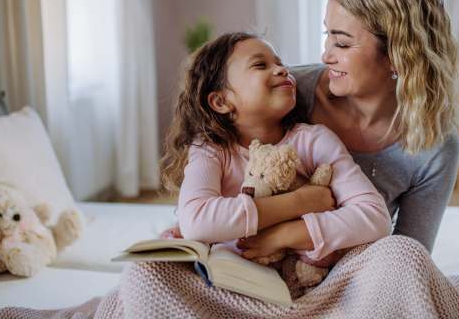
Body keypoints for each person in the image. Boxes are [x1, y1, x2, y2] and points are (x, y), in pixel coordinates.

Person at [159, 32, 391, 266]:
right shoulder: (210, 150)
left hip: (305, 283)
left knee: (404, 251)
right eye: (260, 65)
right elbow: (196, 222)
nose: (282, 70)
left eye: (281, 64)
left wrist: (280, 236)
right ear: (221, 102)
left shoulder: (314, 141)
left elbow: (376, 217)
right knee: (146, 270)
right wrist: (300, 202)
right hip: (231, 282)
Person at [289, 0, 459, 263]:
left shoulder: (433, 146)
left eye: (341, 44)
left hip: (358, 278)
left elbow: (409, 258)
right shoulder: (290, 93)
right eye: (326, 35)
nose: (325, 55)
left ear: (398, 53)